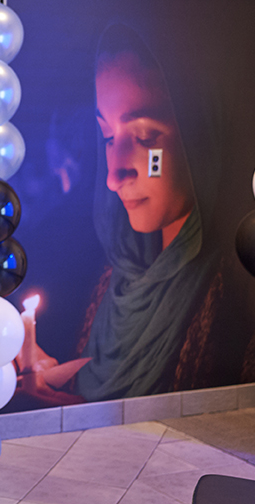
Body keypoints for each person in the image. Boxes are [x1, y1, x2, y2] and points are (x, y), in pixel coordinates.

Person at [76, 23, 224, 401]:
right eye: (108, 138)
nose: (114, 176)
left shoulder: (226, 295)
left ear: (199, 135)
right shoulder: (118, 272)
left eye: (143, 138)